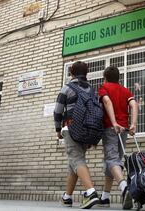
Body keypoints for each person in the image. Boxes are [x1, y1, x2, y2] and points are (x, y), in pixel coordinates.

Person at [54, 61, 100, 209]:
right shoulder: (92, 90)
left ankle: (91, 192)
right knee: (74, 163)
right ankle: (67, 197)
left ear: (72, 73)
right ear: (86, 73)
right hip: (87, 130)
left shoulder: (67, 87)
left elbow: (57, 110)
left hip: (71, 127)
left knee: (76, 159)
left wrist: (57, 129)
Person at [97, 66, 139, 209]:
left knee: (111, 160)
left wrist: (113, 122)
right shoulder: (125, 90)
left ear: (105, 77)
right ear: (118, 78)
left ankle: (125, 188)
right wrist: (133, 124)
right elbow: (134, 104)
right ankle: (105, 198)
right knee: (114, 162)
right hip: (124, 129)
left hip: (111, 128)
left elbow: (107, 102)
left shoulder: (104, 87)